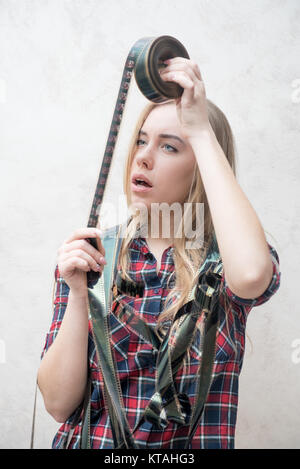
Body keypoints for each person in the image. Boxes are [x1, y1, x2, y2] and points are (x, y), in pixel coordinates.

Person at [37, 58, 281, 449]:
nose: (144, 156)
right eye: (141, 140)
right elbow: (57, 403)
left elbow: (253, 274)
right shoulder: (93, 254)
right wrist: (79, 293)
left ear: (202, 165)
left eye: (169, 146)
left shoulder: (225, 262)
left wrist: (200, 129)